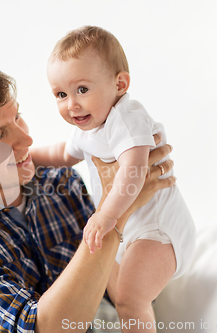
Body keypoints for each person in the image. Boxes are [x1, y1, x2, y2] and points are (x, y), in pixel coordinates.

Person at [0, 51, 176, 333]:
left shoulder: (61, 183)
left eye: (17, 117)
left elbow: (116, 289)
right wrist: (115, 211)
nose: (26, 139)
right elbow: (41, 329)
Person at [30, 26, 196, 331]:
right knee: (121, 299)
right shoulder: (87, 128)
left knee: (130, 301)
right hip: (128, 226)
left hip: (155, 227)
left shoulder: (126, 116)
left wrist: (105, 214)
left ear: (119, 84)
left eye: (82, 89)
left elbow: (135, 170)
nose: (72, 104)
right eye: (61, 94)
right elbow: (63, 154)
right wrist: (28, 157)